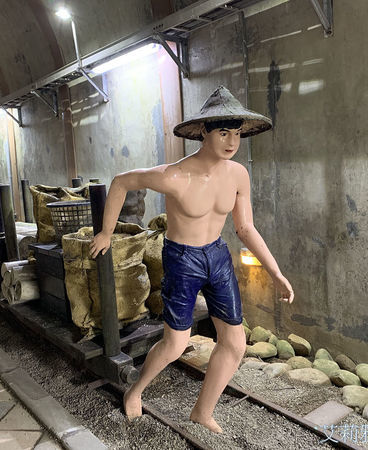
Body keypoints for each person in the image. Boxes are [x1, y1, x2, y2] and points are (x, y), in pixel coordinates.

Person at [89, 86, 295, 433]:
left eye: (237, 133)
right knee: (175, 344)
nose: (232, 141)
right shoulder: (175, 175)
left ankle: (202, 411)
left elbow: (245, 228)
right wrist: (106, 232)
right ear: (203, 132)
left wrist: (275, 272)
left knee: (235, 343)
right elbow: (122, 182)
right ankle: (135, 391)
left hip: (217, 255)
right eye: (223, 132)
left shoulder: (238, 174)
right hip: (182, 258)